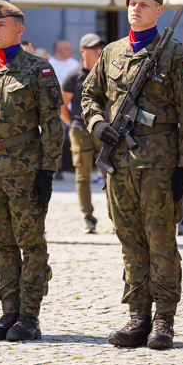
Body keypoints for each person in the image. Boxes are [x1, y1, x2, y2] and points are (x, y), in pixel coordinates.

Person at [82, 0, 183, 350]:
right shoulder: (112, 52)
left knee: (161, 240)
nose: (137, 9)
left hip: (159, 164)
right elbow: (90, 95)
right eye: (133, 4)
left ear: (159, 11)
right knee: (130, 241)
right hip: (119, 164)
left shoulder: (174, 54)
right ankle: (138, 314)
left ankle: (164, 317)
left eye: (145, 5)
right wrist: (97, 124)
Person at [0, 1, 63, 342]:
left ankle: (29, 316)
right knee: (2, 243)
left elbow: (52, 124)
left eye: (2, 25)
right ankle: (9, 311)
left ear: (19, 29)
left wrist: (48, 170)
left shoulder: (39, 69)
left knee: (31, 244)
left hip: (25, 170)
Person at [60, 33, 104, 234]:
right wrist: (73, 124)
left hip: (104, 130)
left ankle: (115, 217)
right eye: (93, 47)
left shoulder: (106, 73)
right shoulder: (73, 75)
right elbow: (62, 104)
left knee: (112, 174)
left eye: (99, 46)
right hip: (80, 130)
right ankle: (88, 218)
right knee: (83, 177)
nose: (98, 50)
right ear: (83, 51)